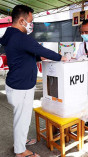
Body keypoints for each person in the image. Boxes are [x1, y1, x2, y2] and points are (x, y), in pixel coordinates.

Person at [0, 5, 67, 157]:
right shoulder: (19, 36)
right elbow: (40, 49)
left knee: (22, 118)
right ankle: (20, 151)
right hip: (21, 86)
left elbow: (21, 54)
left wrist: (38, 57)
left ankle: (21, 141)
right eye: (31, 21)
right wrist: (61, 57)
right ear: (22, 20)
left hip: (18, 83)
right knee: (21, 119)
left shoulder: (11, 35)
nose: (32, 25)